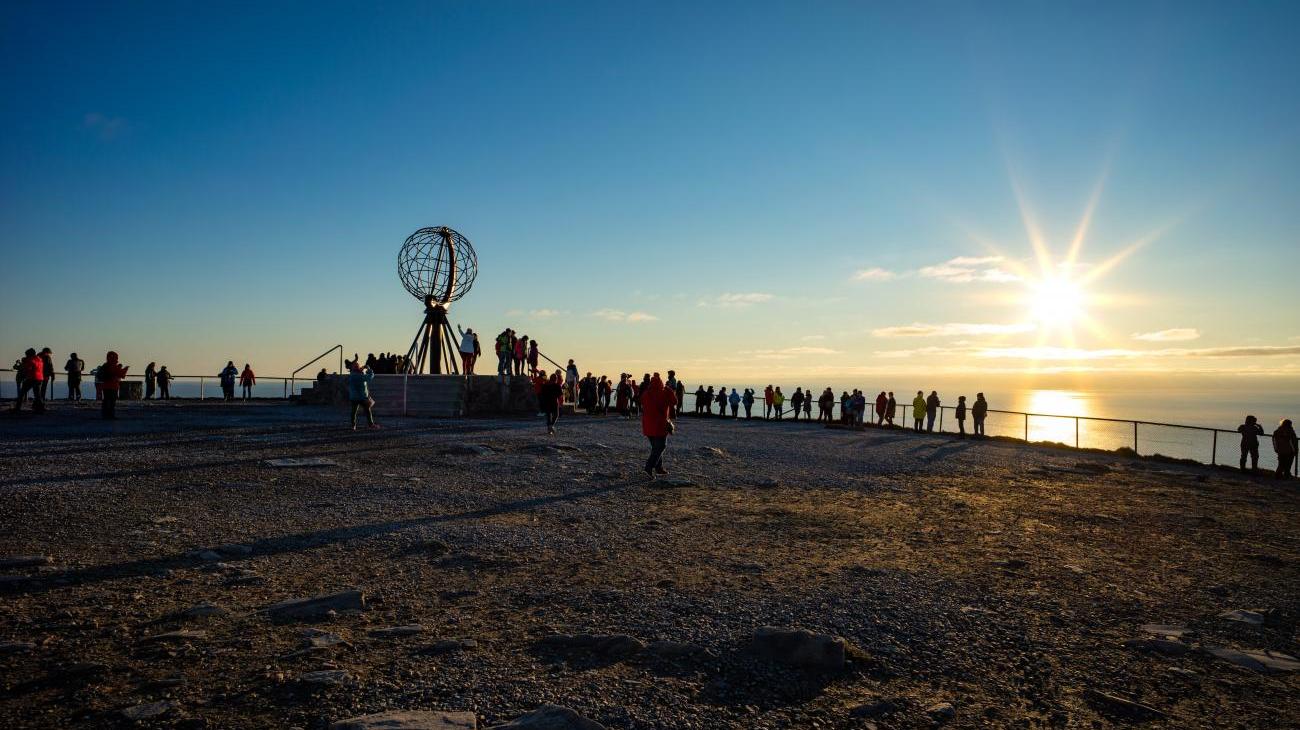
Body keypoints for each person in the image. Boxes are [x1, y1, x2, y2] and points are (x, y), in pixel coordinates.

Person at [640, 372, 679, 479]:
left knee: (655, 447)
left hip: (647, 425)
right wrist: (669, 390)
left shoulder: (646, 393)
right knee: (661, 446)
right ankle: (649, 467)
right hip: (660, 425)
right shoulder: (665, 392)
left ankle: (659, 467)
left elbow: (642, 402)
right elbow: (674, 402)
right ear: (661, 383)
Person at [346, 361, 378, 430]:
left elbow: (359, 373)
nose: (359, 367)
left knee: (354, 412)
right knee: (367, 411)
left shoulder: (352, 374)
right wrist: (369, 369)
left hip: (354, 396)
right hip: (361, 397)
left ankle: (353, 425)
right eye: (357, 366)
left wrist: (362, 369)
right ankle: (371, 424)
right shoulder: (358, 375)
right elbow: (370, 377)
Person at [12, 348, 45, 413]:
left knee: (22, 393)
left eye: (26, 354)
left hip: (32, 378)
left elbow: (27, 369)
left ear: (29, 354)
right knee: (37, 394)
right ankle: (41, 407)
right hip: (40, 378)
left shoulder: (30, 360)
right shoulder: (40, 359)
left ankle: (17, 407)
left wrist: (24, 364)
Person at [98, 351, 128, 419]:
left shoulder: (105, 365)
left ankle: (105, 414)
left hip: (105, 386)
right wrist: (125, 369)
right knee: (112, 402)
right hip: (113, 386)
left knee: (106, 400)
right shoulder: (113, 366)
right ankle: (110, 415)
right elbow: (121, 375)